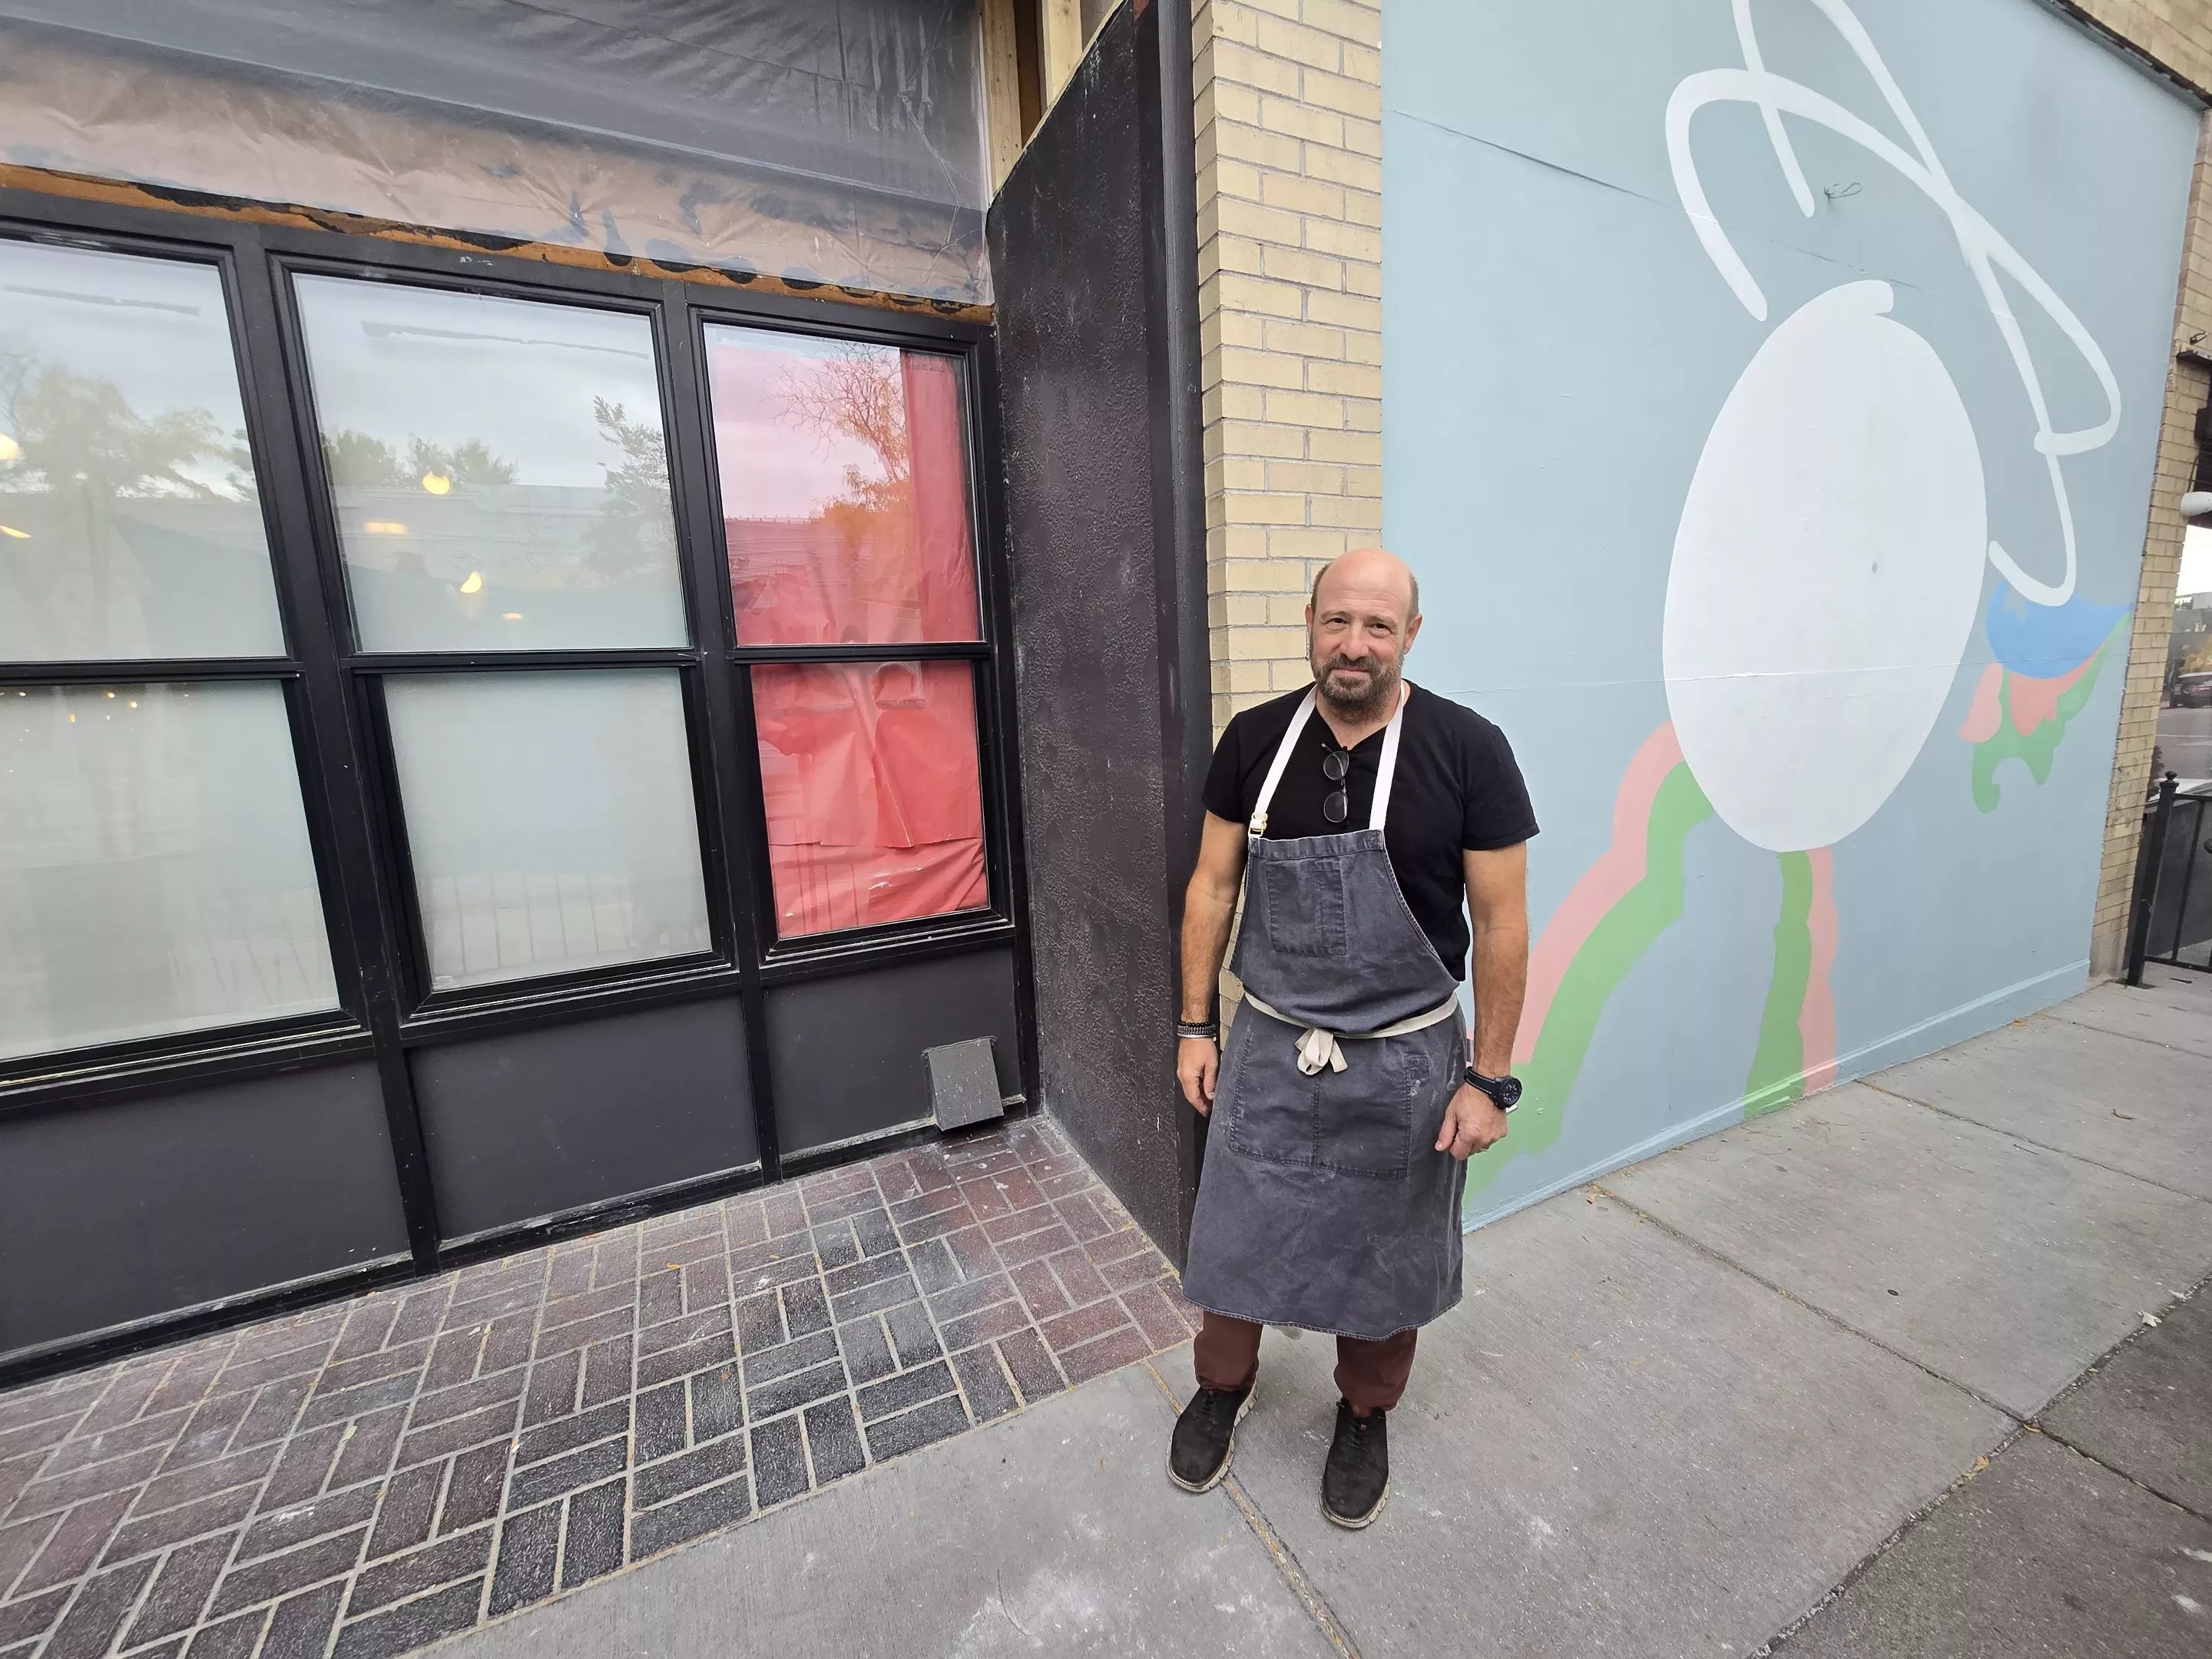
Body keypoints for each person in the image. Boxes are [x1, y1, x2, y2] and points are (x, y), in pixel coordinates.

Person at [1168, 547, 1535, 1528]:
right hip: (1269, 1048)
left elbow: (1503, 923)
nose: (1355, 644)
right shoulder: (1252, 742)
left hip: (1409, 1065)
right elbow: (1211, 885)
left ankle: (1365, 1412)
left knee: (1388, 1260)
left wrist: (1489, 1080)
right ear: (1309, 621)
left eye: (1379, 625)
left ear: (1411, 635)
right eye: (1339, 621)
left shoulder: (1468, 749)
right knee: (1236, 1236)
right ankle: (1221, 1388)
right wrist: (1196, 1024)